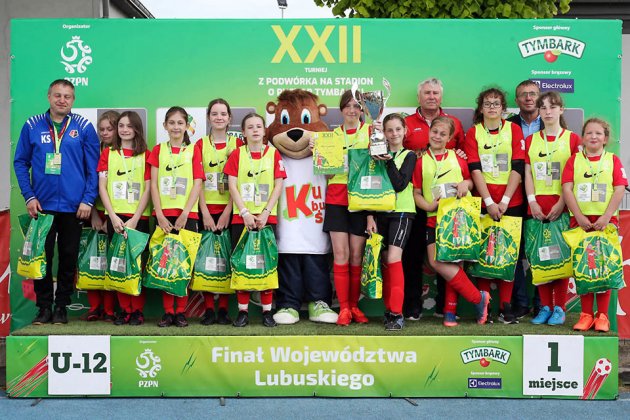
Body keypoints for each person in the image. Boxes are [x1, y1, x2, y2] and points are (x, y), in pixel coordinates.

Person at [14, 79, 100, 324]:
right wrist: (29, 196)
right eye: (58, 95)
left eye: (67, 96)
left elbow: (93, 167)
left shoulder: (83, 126)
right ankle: (43, 308)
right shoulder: (32, 125)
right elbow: (21, 162)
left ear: (73, 100)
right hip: (42, 206)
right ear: (49, 97)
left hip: (75, 207)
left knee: (69, 256)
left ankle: (61, 306)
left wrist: (87, 200)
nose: (62, 100)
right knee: (41, 257)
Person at [412, 116, 491, 327]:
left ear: (449, 138)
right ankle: (478, 298)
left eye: (443, 134)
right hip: (432, 218)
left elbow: (470, 182)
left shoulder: (458, 158)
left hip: (458, 218)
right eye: (434, 132)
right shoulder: (420, 161)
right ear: (429, 132)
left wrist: (466, 184)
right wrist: (428, 206)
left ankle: (450, 311)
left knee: (456, 263)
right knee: (437, 261)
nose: (437, 136)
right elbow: (416, 193)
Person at [403, 78, 465, 320]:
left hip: (447, 205)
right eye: (427, 93)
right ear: (419, 97)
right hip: (414, 199)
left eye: (436, 93)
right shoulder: (407, 123)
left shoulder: (455, 123)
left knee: (446, 253)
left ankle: (444, 307)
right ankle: (412, 307)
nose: (431, 96)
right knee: (412, 255)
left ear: (441, 97)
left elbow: (462, 155)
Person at [463, 87, 525, 324]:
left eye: (496, 103)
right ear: (481, 108)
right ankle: (485, 304)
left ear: (503, 108)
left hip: (513, 201)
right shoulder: (474, 133)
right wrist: (489, 202)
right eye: (487, 103)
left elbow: (518, 167)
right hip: (483, 201)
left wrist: (505, 201)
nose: (491, 107)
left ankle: (506, 306)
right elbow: (474, 169)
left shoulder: (514, 129)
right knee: (484, 254)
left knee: (509, 253)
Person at [562, 118, 627, 332]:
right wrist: (579, 216)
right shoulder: (574, 161)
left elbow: (619, 189)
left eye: (598, 133)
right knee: (584, 269)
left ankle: (602, 317)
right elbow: (567, 189)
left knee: (604, 269)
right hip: (581, 224)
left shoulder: (613, 160)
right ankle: (586, 315)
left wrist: (607, 216)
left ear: (605, 138)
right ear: (582, 137)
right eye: (589, 133)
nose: (593, 137)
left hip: (605, 223)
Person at [223, 112, 286, 327]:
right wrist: (245, 213)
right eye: (250, 127)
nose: (255, 130)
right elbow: (232, 185)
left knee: (266, 264)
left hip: (267, 218)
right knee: (242, 265)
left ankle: (267, 312)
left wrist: (266, 211)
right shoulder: (236, 155)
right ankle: (243, 312)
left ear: (264, 130)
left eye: (259, 126)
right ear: (243, 132)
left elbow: (279, 184)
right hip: (242, 219)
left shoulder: (274, 154)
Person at [524, 92, 581, 326]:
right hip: (536, 209)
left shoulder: (573, 139)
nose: (547, 111)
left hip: (561, 208)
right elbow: (527, 173)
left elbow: (576, 175)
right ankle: (545, 306)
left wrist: (563, 203)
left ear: (561, 110)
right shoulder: (531, 140)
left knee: (560, 259)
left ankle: (560, 308)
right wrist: (532, 201)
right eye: (543, 107)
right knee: (539, 259)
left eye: (552, 107)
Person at [149, 106, 204, 327]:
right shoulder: (158, 150)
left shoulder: (193, 151)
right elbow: (152, 183)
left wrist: (185, 213)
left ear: (186, 126)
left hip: (186, 215)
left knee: (183, 264)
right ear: (165, 126)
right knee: (164, 263)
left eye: (180, 123)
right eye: (171, 123)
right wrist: (160, 214)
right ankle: (167, 312)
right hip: (163, 216)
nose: (175, 127)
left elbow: (198, 182)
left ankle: (180, 312)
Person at [97, 111, 151, 326]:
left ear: (137, 128)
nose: (125, 130)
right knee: (118, 264)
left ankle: (137, 310)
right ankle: (124, 310)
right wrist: (112, 216)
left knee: (137, 265)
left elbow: (149, 189)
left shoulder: (146, 155)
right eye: (121, 126)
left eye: (129, 126)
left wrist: (136, 218)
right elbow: (102, 186)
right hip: (115, 218)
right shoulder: (108, 154)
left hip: (138, 218)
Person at [322, 90, 371, 326]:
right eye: (347, 106)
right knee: (340, 255)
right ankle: (343, 309)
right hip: (337, 199)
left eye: (356, 106)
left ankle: (354, 305)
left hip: (363, 201)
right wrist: (323, 156)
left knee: (356, 256)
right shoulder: (331, 136)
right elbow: (328, 173)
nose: (352, 110)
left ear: (362, 109)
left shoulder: (371, 133)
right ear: (341, 109)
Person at [365, 114, 416, 331]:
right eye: (389, 130)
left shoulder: (410, 155)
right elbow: (368, 187)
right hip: (380, 212)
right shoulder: (375, 156)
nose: (394, 134)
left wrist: (387, 161)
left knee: (395, 258)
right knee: (385, 260)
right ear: (383, 133)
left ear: (405, 130)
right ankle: (389, 310)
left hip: (402, 212)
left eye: (397, 129)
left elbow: (399, 184)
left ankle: (397, 313)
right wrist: (369, 216)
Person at [196, 99, 242, 326]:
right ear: (208, 117)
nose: (219, 117)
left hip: (229, 211)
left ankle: (223, 309)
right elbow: (197, 181)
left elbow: (239, 183)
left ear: (230, 118)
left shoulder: (238, 145)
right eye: (214, 113)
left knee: (225, 258)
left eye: (223, 113)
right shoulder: (200, 145)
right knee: (206, 260)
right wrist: (204, 211)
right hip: (205, 210)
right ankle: (208, 310)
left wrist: (228, 211)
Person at [507, 80, 545, 319]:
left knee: (541, 252)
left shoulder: (554, 122)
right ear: (517, 100)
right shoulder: (507, 125)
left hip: (543, 199)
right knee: (514, 253)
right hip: (512, 198)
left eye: (533, 94)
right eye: (523, 95)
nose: (529, 98)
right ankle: (520, 302)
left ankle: (543, 304)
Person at [86, 110, 120, 322]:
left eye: (110, 129)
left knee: (110, 261)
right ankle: (94, 307)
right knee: (91, 260)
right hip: (91, 212)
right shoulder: (92, 150)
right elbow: (86, 182)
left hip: (114, 215)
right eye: (102, 129)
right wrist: (93, 214)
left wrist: (110, 216)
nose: (105, 133)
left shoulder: (125, 152)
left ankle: (109, 310)